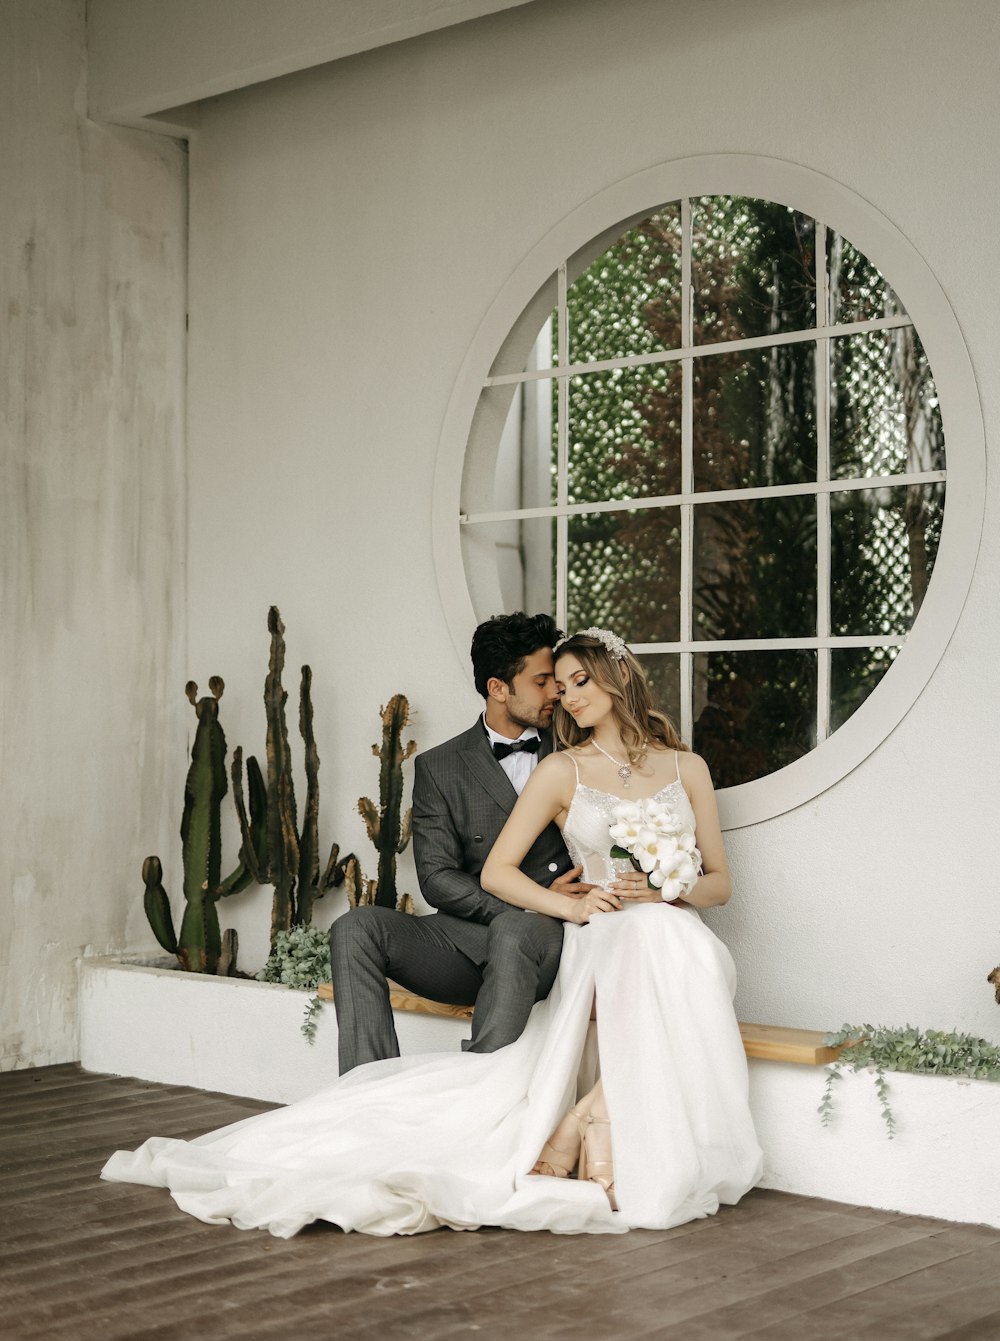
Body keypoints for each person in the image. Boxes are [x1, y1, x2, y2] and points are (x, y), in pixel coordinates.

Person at [101, 627, 762, 1236]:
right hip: (591, 927)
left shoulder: (685, 767)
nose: (563, 693)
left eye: (576, 680)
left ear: (618, 674)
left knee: (681, 941)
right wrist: (568, 905)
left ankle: (593, 1111)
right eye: (555, 682)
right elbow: (465, 875)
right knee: (366, 928)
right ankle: (373, 1097)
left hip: (651, 927)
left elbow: (718, 881)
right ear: (500, 687)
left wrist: (661, 886)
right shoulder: (551, 767)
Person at [329, 612, 639, 1073]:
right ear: (498, 688)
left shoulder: (579, 745)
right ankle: (366, 1090)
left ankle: (477, 1088)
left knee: (516, 933)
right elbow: (436, 877)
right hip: (466, 940)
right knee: (355, 928)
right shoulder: (440, 766)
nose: (558, 691)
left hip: (551, 936)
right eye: (542, 681)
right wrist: (525, 904)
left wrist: (539, 913)